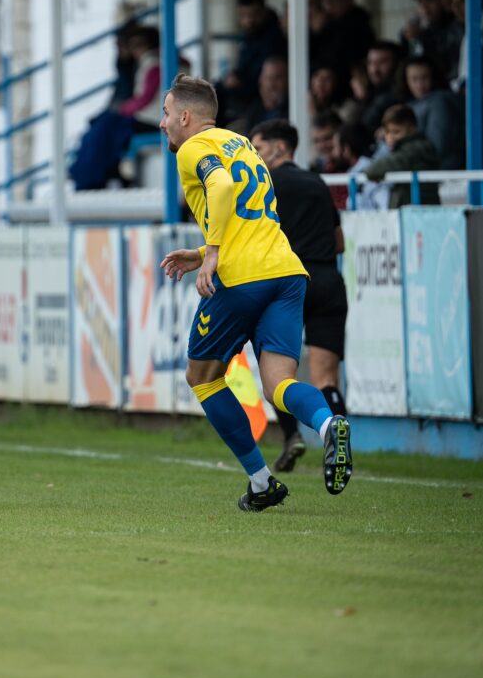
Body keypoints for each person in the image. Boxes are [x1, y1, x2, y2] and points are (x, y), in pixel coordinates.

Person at [159, 73, 353, 513]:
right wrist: (200, 250)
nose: (162, 123)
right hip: (286, 270)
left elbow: (223, 189)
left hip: (240, 275)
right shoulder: (241, 143)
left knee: (202, 378)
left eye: (167, 113)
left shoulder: (192, 149)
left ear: (186, 116)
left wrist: (211, 254)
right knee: (280, 383)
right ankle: (327, 425)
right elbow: (244, 209)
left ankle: (261, 481)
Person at [251, 119, 348, 473]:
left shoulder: (265, 185)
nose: (253, 155)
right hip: (328, 280)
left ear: (279, 148)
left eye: (258, 148)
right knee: (326, 378)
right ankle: (336, 443)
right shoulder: (318, 182)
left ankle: (291, 435)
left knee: (277, 375)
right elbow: (339, 242)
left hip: (288, 282)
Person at [70, 26, 161, 190]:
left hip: (151, 120)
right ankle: (89, 174)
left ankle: (89, 177)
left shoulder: (154, 64)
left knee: (104, 131)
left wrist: (123, 109)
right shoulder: (150, 63)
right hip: (146, 117)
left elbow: (144, 98)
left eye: (137, 45)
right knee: (101, 130)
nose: (134, 51)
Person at [215, 0, 286, 127]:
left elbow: (261, 75)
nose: (249, 20)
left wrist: (239, 80)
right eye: (244, 15)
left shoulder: (273, 37)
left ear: (263, 12)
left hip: (257, 93)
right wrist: (234, 76)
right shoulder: (250, 35)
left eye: (253, 15)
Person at [394, 55, 464, 170]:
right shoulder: (412, 104)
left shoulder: (439, 103)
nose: (420, 85)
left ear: (434, 77)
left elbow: (437, 146)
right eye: (414, 79)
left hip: (440, 173)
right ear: (405, 80)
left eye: (425, 77)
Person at [365, 104, 440, 208]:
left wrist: (388, 149)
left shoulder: (414, 150)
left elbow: (372, 170)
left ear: (412, 129)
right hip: (415, 213)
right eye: (388, 132)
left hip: (418, 214)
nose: (391, 137)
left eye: (396, 132)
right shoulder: (414, 147)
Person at [310, 0, 375, 83]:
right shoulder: (323, 25)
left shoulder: (357, 26)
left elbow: (334, 60)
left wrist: (318, 34)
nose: (328, 4)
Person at [399, 0, 459, 77]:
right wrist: (407, 39)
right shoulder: (424, 29)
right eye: (420, 2)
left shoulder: (454, 26)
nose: (424, 7)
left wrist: (421, 38)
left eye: (430, 0)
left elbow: (442, 64)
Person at [333, 121, 390, 211]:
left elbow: (384, 205)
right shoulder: (355, 172)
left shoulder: (372, 171)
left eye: (335, 147)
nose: (333, 153)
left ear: (346, 150)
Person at [234, 55, 288, 134]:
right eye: (268, 78)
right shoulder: (253, 110)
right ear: (260, 80)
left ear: (287, 80)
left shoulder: (293, 108)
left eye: (277, 77)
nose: (271, 84)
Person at [359, 40, 403, 135]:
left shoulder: (396, 93)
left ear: (397, 63)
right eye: (370, 63)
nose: (374, 70)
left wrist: (364, 99)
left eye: (382, 62)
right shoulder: (370, 89)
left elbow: (364, 129)